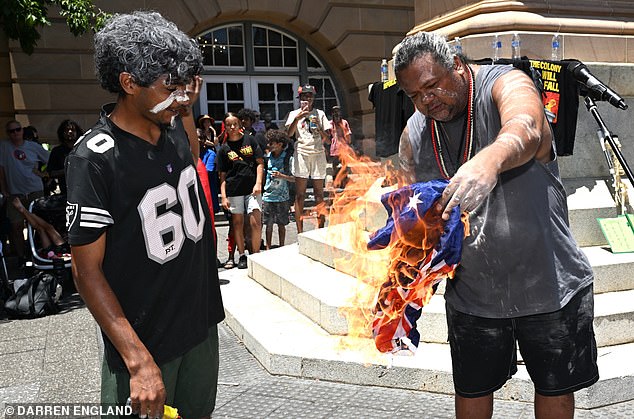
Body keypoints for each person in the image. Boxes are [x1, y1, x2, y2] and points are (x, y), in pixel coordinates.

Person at [395, 32, 598, 419]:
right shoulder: (415, 133)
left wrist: (488, 163)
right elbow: (416, 222)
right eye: (415, 95)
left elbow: (527, 126)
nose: (426, 100)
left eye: (433, 85)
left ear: (456, 65)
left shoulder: (504, 82)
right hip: (473, 293)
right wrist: (403, 286)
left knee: (554, 388)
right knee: (472, 390)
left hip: (548, 285)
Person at [64, 11, 224, 419]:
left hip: (199, 327)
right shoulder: (93, 158)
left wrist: (183, 100)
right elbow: (86, 272)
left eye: (186, 86)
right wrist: (137, 361)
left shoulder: (171, 126)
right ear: (129, 83)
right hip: (147, 343)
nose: (182, 97)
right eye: (170, 87)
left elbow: (189, 157)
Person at [216, 112, 264, 269]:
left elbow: (260, 163)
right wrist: (223, 197)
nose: (232, 127)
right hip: (233, 189)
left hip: (252, 189)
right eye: (228, 125)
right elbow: (222, 176)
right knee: (237, 223)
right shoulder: (223, 149)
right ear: (225, 127)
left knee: (255, 221)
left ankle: (256, 255)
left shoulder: (250, 140)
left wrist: (258, 183)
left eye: (235, 124)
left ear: (240, 125)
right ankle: (242, 255)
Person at [0, 120, 50, 264]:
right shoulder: (4, 147)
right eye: (11, 131)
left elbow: (50, 159)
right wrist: (4, 189)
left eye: (17, 129)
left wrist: (44, 174)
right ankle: (22, 258)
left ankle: (42, 255)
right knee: (16, 227)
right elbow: (1, 170)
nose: (15, 133)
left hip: (35, 191)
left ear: (22, 131)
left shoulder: (33, 147)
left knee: (39, 225)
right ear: (7, 133)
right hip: (15, 194)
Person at [285, 85, 331, 232]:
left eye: (310, 96)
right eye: (304, 96)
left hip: (318, 153)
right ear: (300, 98)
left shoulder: (320, 113)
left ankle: (321, 229)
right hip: (301, 153)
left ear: (313, 98)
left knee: (319, 193)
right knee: (300, 194)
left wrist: (320, 127)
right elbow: (289, 135)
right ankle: (300, 232)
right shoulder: (294, 113)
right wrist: (297, 119)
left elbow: (328, 140)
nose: (307, 99)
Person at [262, 130, 294, 249]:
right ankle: (268, 247)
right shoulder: (267, 158)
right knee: (268, 225)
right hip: (268, 196)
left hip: (282, 197)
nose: (269, 145)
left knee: (281, 224)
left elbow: (294, 179)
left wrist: (282, 176)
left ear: (280, 144)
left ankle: (282, 246)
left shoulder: (288, 159)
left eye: (272, 143)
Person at [47, 119, 84, 195]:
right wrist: (66, 170)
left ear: (77, 132)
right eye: (66, 130)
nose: (70, 132)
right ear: (62, 133)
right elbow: (51, 173)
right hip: (65, 193)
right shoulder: (57, 151)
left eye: (73, 130)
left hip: (83, 191)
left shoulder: (83, 149)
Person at [326, 105, 352, 184]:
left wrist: (348, 144)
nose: (336, 114)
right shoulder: (330, 123)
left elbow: (348, 134)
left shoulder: (344, 122)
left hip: (343, 146)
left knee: (344, 165)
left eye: (338, 112)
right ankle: (336, 181)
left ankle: (344, 180)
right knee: (335, 165)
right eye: (334, 112)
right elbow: (327, 136)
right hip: (334, 147)